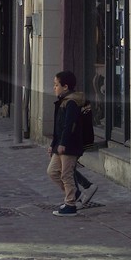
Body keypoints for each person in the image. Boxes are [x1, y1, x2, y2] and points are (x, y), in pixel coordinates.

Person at [47, 70, 90, 216]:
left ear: (65, 87)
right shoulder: (63, 102)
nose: (54, 87)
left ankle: (70, 204)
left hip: (69, 146)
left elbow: (69, 125)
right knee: (53, 172)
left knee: (66, 174)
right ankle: (75, 195)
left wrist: (63, 143)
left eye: (56, 84)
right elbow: (57, 127)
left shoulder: (71, 102)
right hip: (60, 144)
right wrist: (53, 145)